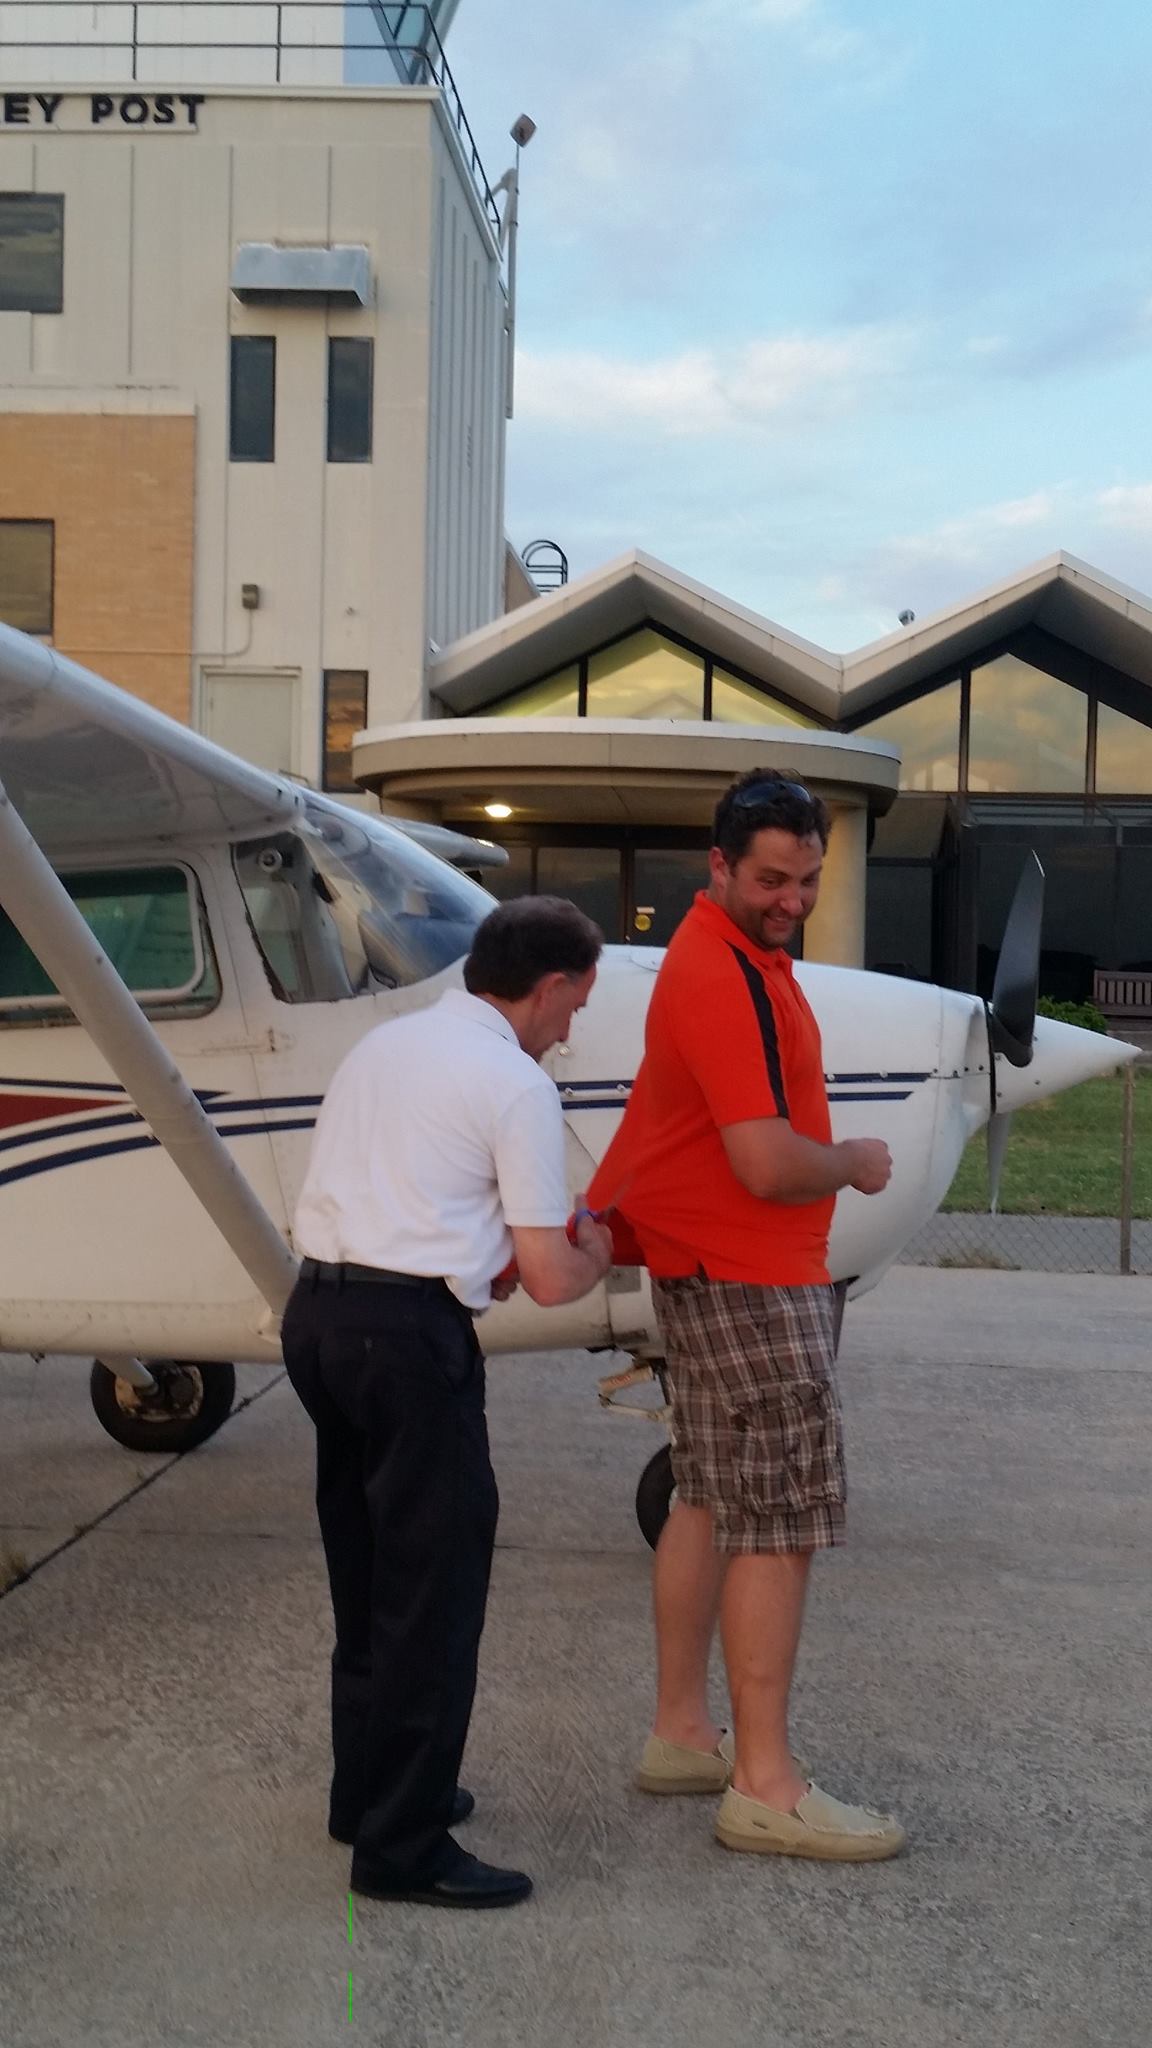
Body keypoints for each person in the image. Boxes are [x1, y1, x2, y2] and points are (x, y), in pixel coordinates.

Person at [588, 769, 906, 1862]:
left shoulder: (727, 954)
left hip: (711, 1265)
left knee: (709, 1496)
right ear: (717, 865)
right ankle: (765, 1782)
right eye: (772, 879)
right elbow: (766, 1161)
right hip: (751, 1274)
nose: (793, 900)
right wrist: (853, 1160)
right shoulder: (721, 973)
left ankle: (685, 1731)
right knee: (780, 1517)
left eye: (809, 879)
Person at [282, 897, 615, 1909]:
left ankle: (368, 1793)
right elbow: (551, 1275)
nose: (570, 1027)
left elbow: (416, 1194)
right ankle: (403, 1846)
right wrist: (597, 1248)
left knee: (367, 1573)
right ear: (548, 987)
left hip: (320, 1318)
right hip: (408, 1343)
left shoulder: (387, 1046)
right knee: (434, 1592)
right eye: (576, 1005)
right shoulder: (515, 1083)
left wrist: (477, 1252)